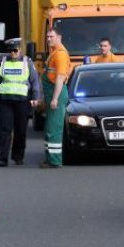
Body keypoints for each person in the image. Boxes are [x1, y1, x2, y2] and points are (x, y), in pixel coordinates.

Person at [0, 38, 41, 167]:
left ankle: (18, 156)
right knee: (5, 130)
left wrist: (35, 97)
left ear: (20, 50)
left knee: (21, 130)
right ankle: (3, 158)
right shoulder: (3, 61)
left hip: (22, 101)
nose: (12, 53)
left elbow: (35, 81)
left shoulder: (27, 62)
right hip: (5, 101)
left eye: (15, 50)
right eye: (10, 50)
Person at [39, 27, 70, 168]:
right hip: (51, 93)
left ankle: (55, 161)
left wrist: (55, 99)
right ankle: (49, 158)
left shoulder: (61, 55)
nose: (48, 39)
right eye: (47, 36)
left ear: (59, 37)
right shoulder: (54, 53)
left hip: (56, 93)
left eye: (51, 36)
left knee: (54, 129)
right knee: (48, 128)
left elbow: (60, 77)